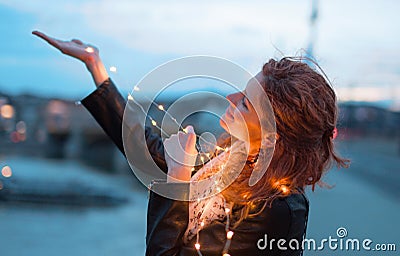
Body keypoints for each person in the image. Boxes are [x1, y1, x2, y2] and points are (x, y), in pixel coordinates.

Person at [32, 31, 348, 256]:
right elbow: (149, 151)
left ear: (272, 134)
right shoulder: (234, 158)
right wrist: (96, 67)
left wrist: (179, 177)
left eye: (246, 103)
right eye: (242, 90)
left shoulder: (275, 211)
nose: (231, 98)